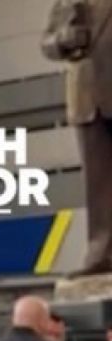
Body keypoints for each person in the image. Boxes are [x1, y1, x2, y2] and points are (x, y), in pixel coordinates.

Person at [46, 0, 112, 277]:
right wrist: (64, 38)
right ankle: (100, 254)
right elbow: (47, 42)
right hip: (86, 98)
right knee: (97, 185)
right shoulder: (67, 1)